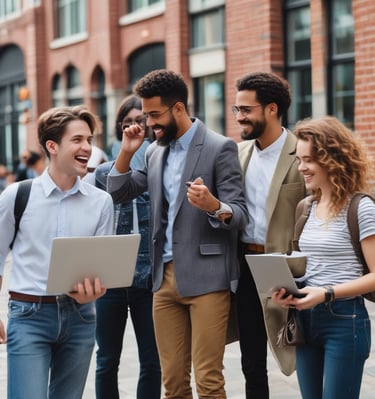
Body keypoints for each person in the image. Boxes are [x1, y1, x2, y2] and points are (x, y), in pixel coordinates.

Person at [107, 69, 248, 398]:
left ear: (179, 108)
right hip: (164, 281)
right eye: (147, 115)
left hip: (208, 279)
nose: (150, 123)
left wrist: (213, 204)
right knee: (172, 384)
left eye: (155, 115)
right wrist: (127, 151)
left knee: (209, 381)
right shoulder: (155, 150)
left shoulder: (219, 147)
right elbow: (118, 191)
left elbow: (239, 213)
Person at [0, 105, 114, 398]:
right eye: (77, 140)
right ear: (52, 146)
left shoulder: (101, 202)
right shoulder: (17, 195)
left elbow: (102, 267)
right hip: (28, 316)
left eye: (89, 139)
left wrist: (96, 289)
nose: (87, 147)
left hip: (81, 319)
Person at [272, 116, 375, 399]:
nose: (301, 167)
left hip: (344, 319)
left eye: (309, 160)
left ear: (333, 159)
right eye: (299, 159)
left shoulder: (361, 208)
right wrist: (289, 291)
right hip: (305, 318)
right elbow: (310, 268)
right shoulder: (306, 207)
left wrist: (326, 294)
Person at [234, 72, 305, 398]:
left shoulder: (301, 154)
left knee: (300, 345)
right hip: (246, 265)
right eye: (237, 109)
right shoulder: (239, 153)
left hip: (287, 266)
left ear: (272, 109)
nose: (239, 117)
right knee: (251, 357)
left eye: (246, 110)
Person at [95, 94, 161, 399]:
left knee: (153, 360)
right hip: (110, 281)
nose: (135, 128)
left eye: (140, 121)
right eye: (127, 122)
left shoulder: (159, 171)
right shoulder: (103, 173)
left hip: (149, 279)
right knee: (107, 360)